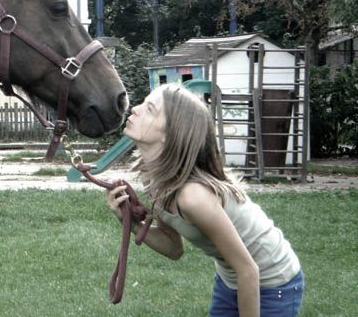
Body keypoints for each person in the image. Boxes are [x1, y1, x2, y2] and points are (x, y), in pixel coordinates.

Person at [106, 83, 304, 317]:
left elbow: (248, 270)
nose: (135, 109)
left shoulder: (193, 197)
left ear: (171, 134)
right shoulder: (156, 179)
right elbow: (174, 249)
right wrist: (130, 222)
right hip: (231, 280)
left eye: (150, 109)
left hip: (273, 282)